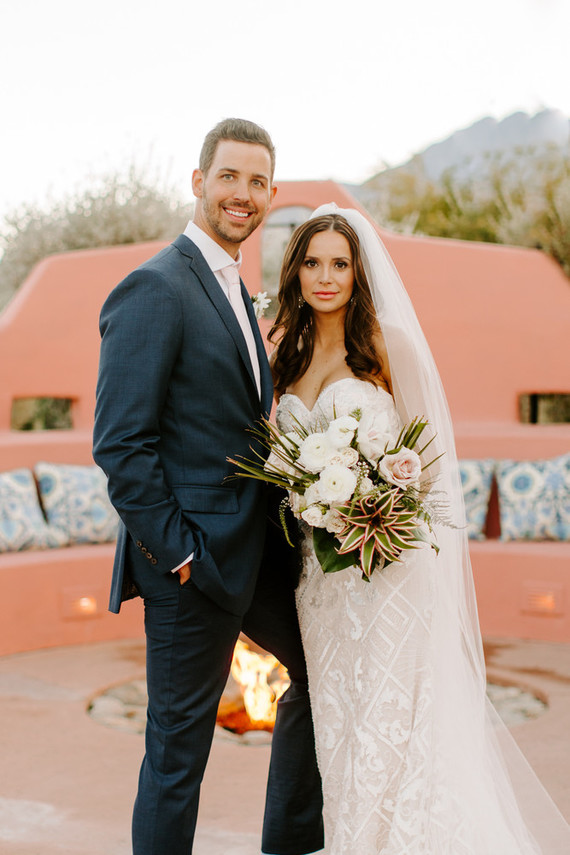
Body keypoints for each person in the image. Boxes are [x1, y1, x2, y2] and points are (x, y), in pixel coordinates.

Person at [269, 204, 570, 854]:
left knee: (394, 723)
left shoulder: (387, 344)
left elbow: (427, 463)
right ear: (296, 272)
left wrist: (370, 504)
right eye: (313, 263)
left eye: (340, 263)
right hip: (321, 582)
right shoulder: (285, 357)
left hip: (388, 571)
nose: (327, 277)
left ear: (358, 272)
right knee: (341, 726)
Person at [93, 118, 323, 855]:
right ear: (199, 182)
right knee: (177, 755)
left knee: (325, 672)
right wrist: (181, 555)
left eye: (258, 182)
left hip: (252, 551)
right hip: (191, 564)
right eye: (229, 176)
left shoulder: (234, 288)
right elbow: (121, 445)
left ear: (272, 194)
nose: (242, 194)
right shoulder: (156, 287)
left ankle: (289, 842)